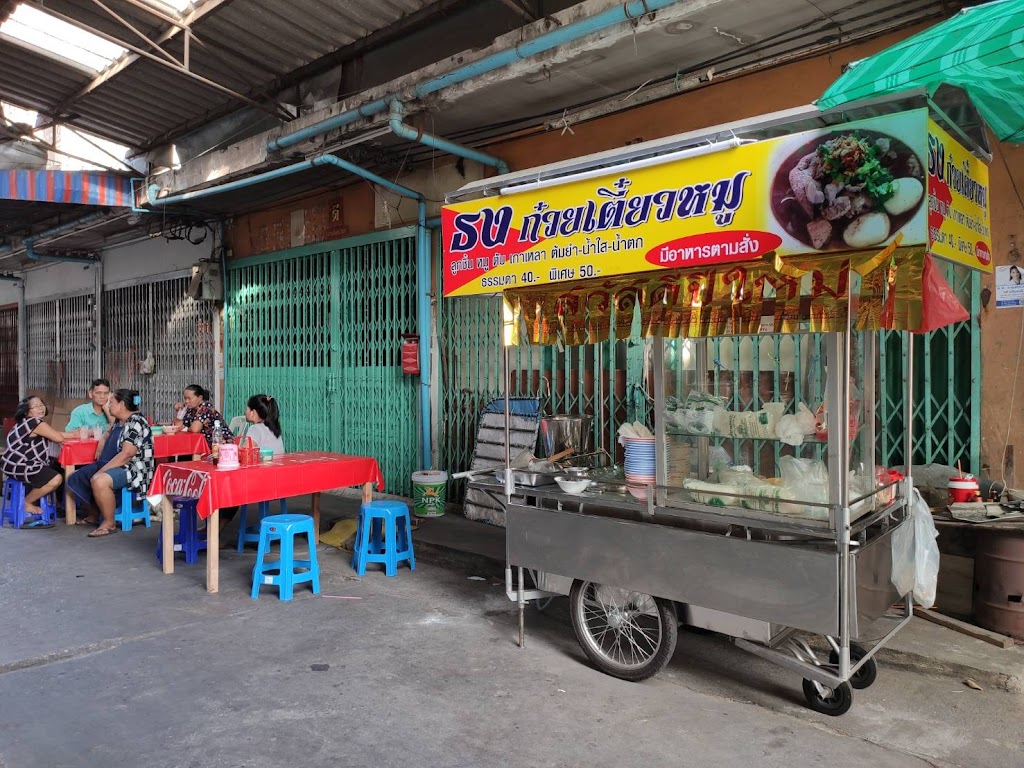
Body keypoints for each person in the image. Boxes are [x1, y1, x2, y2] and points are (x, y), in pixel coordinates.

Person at [86, 389, 155, 538]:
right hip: (125, 466)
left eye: (111, 403)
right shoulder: (121, 421)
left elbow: (126, 455)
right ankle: (100, 514)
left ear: (122, 405)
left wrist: (102, 471)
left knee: (99, 480)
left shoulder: (136, 422)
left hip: (137, 470)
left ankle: (109, 523)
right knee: (87, 476)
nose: (108, 406)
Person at [1, 396, 69, 522]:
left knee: (56, 469)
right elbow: (58, 438)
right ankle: (26, 502)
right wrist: (75, 434)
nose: (40, 408)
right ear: (26, 412)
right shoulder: (34, 422)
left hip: (11, 465)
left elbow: (57, 434)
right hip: (20, 465)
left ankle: (50, 504)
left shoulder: (25, 423)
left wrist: (76, 433)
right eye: (35, 406)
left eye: (41, 405)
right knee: (56, 478)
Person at [173, 385, 232, 450]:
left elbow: (195, 429)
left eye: (189, 398)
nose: (186, 401)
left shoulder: (205, 407)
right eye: (185, 398)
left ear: (200, 397)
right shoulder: (190, 409)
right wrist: (180, 412)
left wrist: (187, 429)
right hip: (201, 444)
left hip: (219, 446)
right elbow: (177, 427)